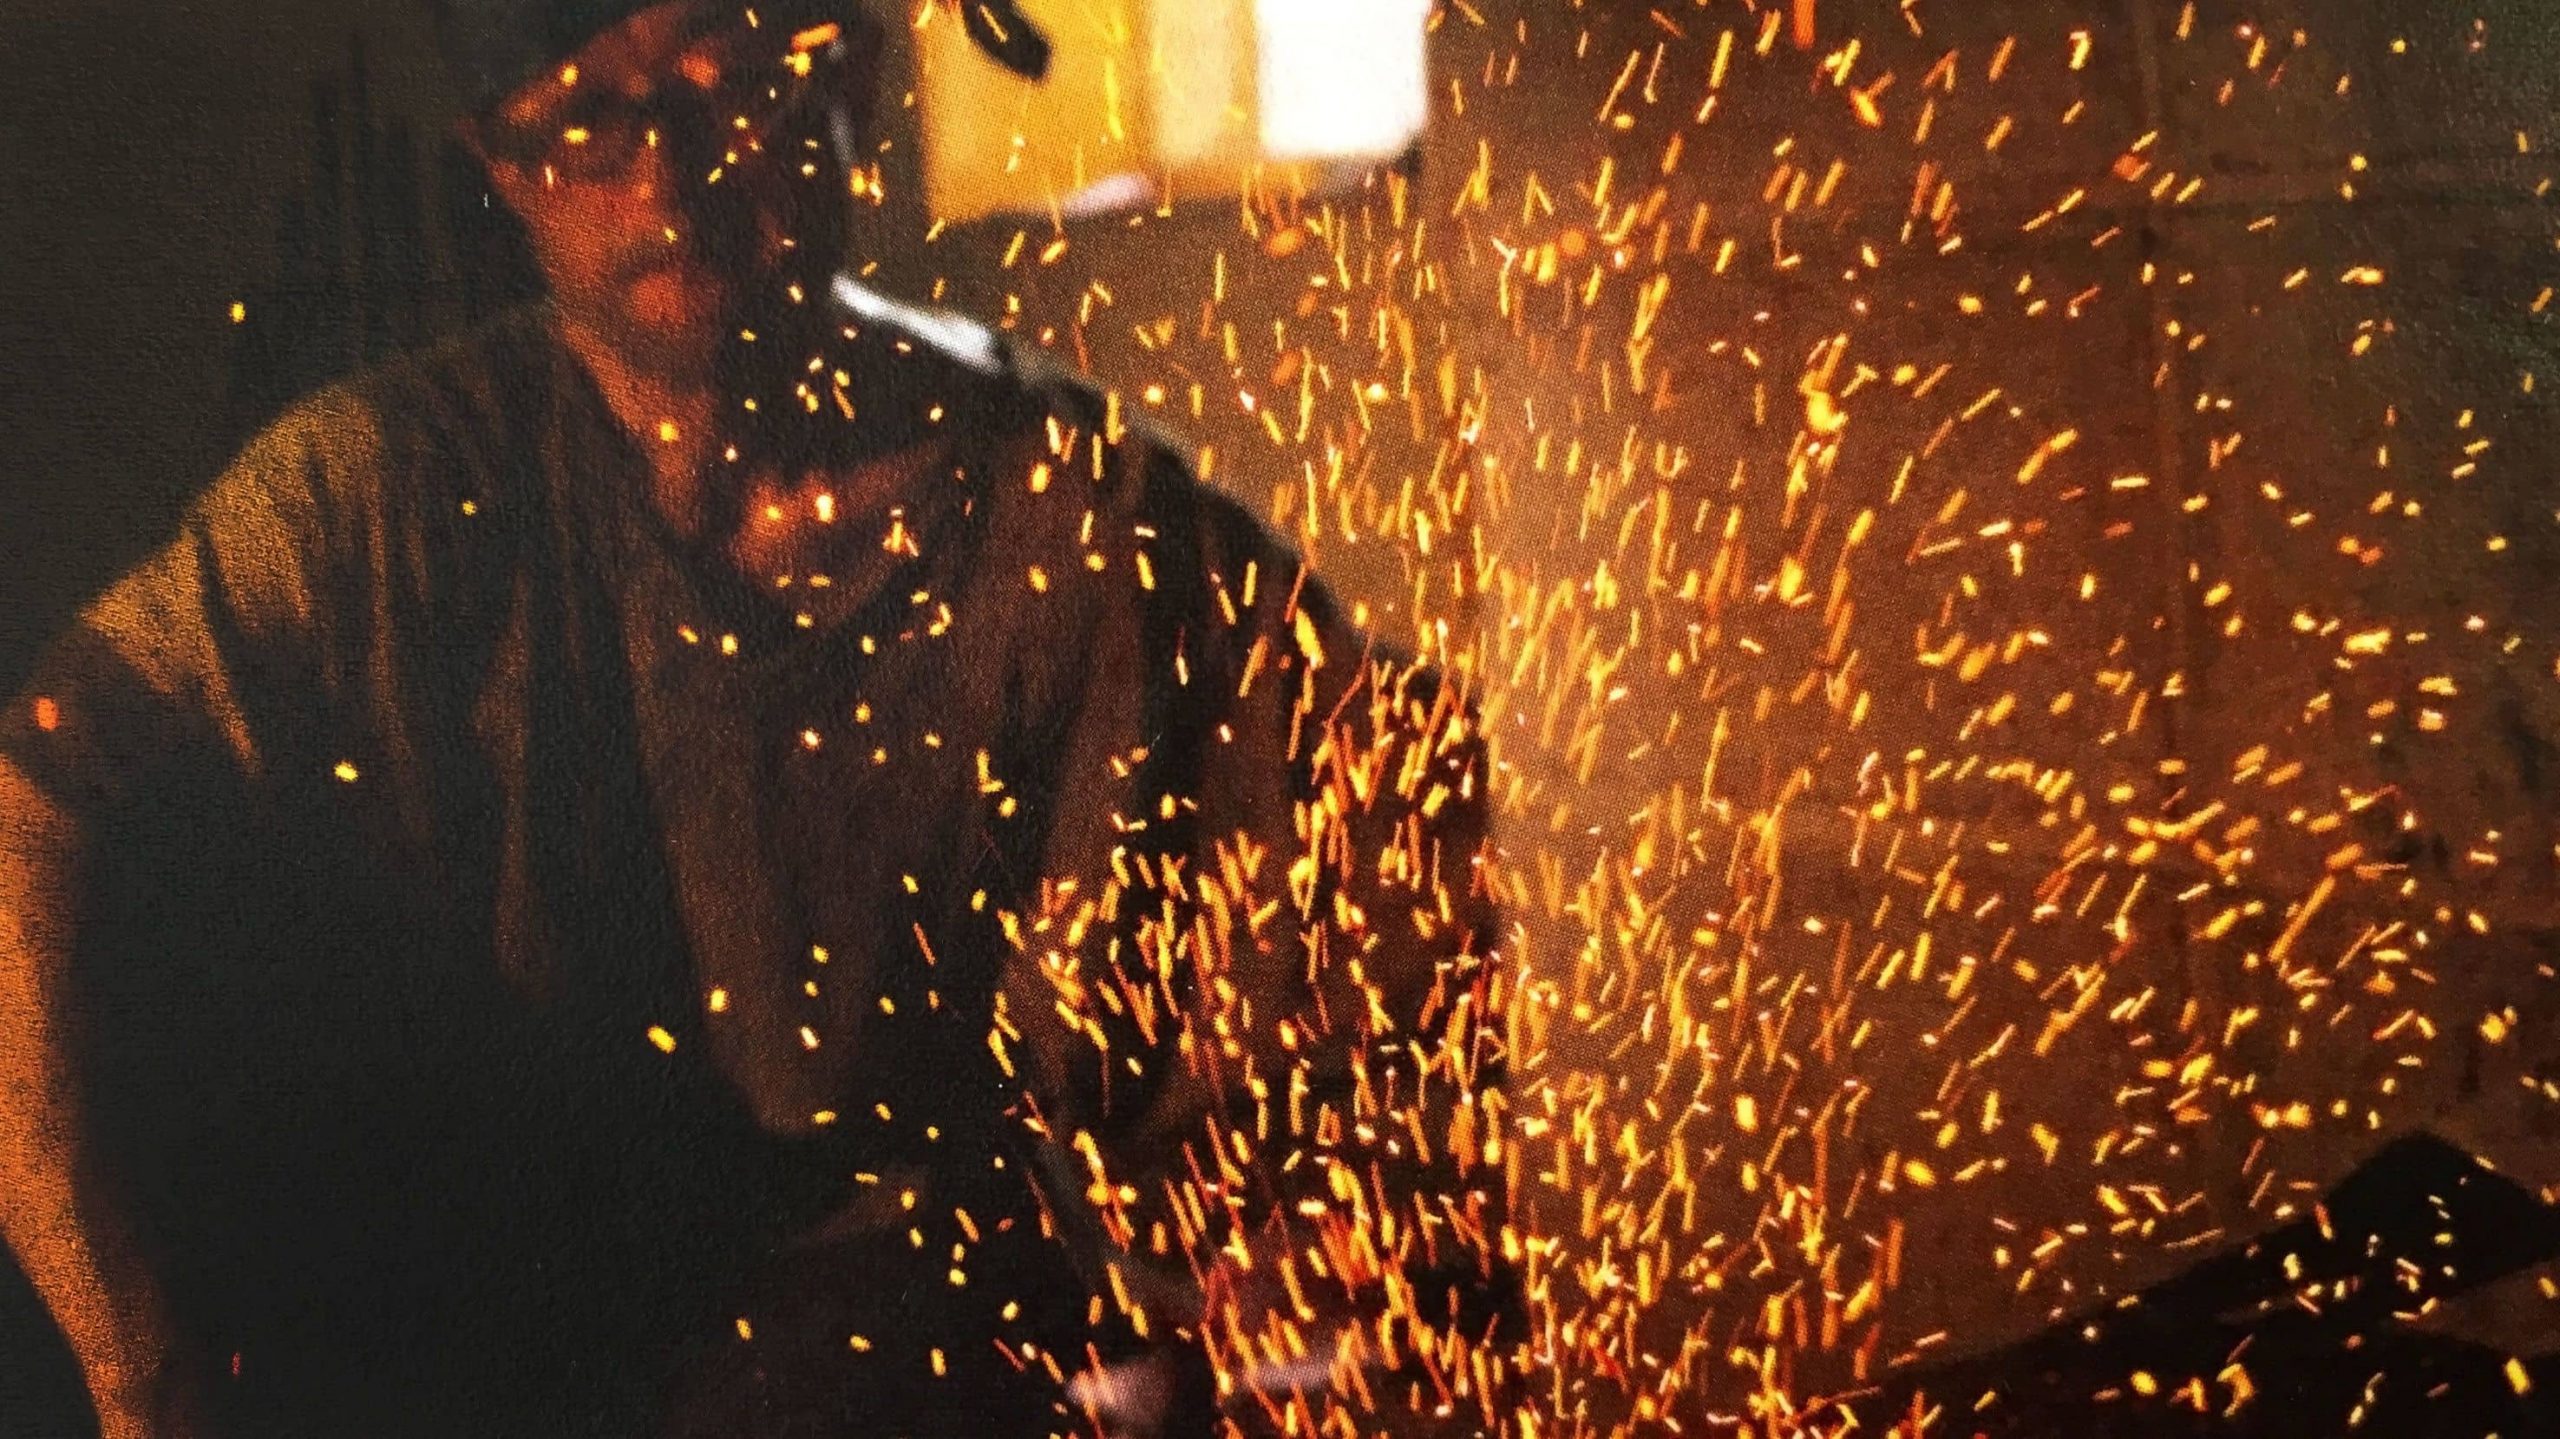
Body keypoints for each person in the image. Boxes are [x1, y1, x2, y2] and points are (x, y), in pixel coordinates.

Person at [0, 2, 1512, 1435]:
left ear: (848, 84)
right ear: (503, 168)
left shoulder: (1092, 521)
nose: (668, 167)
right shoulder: (382, 509)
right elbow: (31, 805)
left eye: (730, 82)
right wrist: (142, 1377)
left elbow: (1394, 864)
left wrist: (1311, 1285)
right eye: (591, 118)